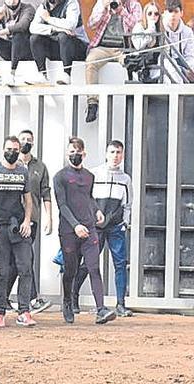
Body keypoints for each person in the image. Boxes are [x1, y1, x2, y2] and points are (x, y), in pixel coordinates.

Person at [54, 137, 117, 325]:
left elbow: (88, 197)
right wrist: (75, 225)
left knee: (94, 267)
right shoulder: (60, 176)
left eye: (78, 152)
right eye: (71, 152)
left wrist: (96, 209)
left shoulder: (89, 176)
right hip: (69, 230)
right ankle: (67, 301)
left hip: (89, 228)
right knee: (70, 270)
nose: (75, 155)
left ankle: (101, 309)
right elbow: (62, 205)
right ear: (67, 154)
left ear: (84, 153)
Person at [0, 136, 36, 327]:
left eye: (15, 149)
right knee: (2, 271)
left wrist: (28, 221)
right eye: (9, 148)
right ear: (3, 149)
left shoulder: (23, 171)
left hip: (19, 227)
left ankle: (24, 311)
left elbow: (28, 200)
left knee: (25, 268)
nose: (12, 152)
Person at [77, 140, 133, 317]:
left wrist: (124, 222)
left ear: (122, 155)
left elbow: (128, 204)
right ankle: (72, 297)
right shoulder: (95, 174)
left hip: (116, 227)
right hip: (96, 227)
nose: (115, 156)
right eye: (112, 152)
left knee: (120, 264)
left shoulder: (125, 179)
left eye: (118, 152)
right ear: (106, 154)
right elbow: (86, 198)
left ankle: (120, 304)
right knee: (88, 263)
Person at [85, 0, 143, 121]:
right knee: (90, 62)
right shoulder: (102, 2)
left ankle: (136, 101)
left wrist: (122, 12)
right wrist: (103, 9)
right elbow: (91, 24)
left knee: (131, 64)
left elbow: (137, 26)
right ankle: (92, 102)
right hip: (103, 47)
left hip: (123, 48)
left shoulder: (134, 5)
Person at [17, 129, 53, 314]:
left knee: (25, 258)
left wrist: (49, 217)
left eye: (29, 140)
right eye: (22, 139)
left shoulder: (40, 166)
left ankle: (25, 298)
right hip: (14, 218)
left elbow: (46, 192)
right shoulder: (11, 164)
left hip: (33, 219)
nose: (25, 142)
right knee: (23, 258)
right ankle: (29, 298)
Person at [28, 0, 89, 84]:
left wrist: (48, 19)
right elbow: (33, 28)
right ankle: (42, 75)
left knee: (64, 35)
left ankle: (67, 75)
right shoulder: (43, 6)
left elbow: (70, 25)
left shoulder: (71, 3)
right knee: (35, 38)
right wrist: (55, 29)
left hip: (77, 47)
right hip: (59, 47)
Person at [0, 0, 36, 86]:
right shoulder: (2, 10)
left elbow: (22, 26)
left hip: (26, 49)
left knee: (17, 34)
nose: (11, 1)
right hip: (11, 50)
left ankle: (12, 73)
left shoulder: (28, 8)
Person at [159, 0, 194, 84]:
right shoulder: (159, 29)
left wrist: (189, 69)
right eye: (170, 11)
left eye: (176, 11)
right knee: (171, 67)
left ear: (181, 13)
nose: (173, 15)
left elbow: (190, 55)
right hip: (163, 64)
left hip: (183, 63)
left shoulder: (187, 31)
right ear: (165, 13)